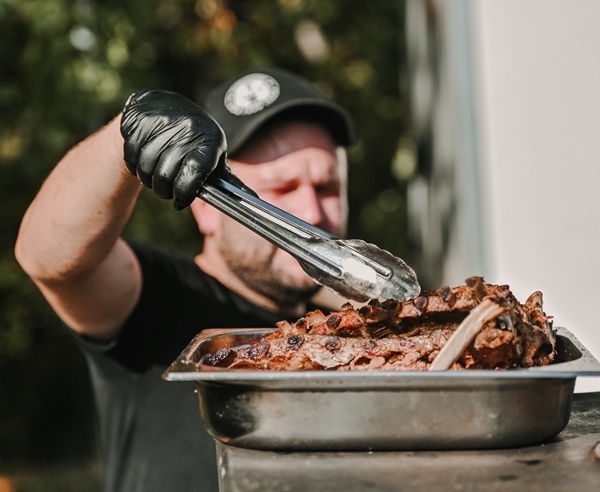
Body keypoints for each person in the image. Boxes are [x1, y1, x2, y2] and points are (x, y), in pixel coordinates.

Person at [14, 66, 357, 492]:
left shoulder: (344, 338)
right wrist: (126, 136)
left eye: (327, 187)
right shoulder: (156, 296)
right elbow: (48, 256)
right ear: (206, 208)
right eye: (282, 188)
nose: (312, 213)